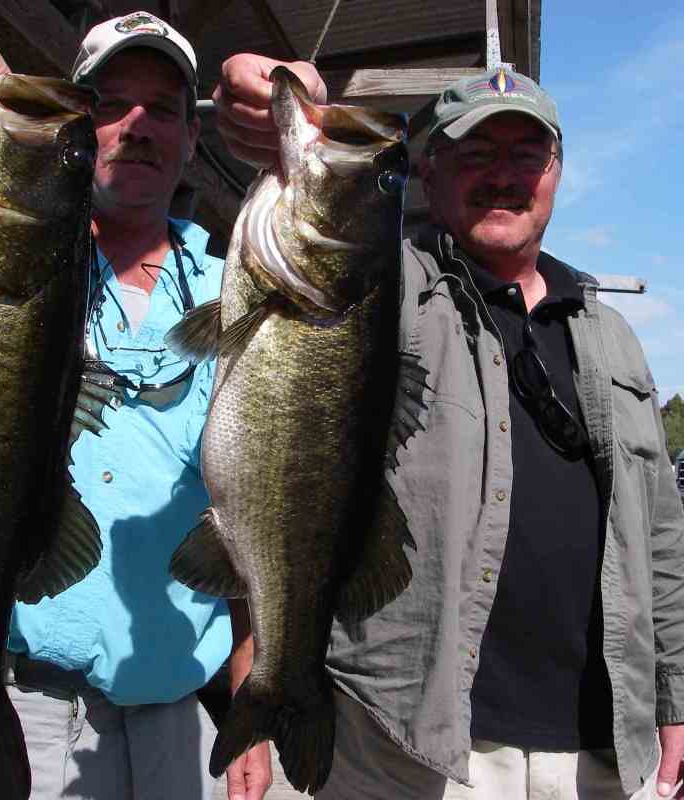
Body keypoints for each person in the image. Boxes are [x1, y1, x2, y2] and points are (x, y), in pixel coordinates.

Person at [211, 53, 684, 799]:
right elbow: (318, 254)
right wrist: (284, 109)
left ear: (557, 171)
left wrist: (674, 700)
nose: (504, 173)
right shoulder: (383, 290)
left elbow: (659, 532)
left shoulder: (614, 335)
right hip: (411, 743)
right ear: (429, 176)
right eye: (474, 153)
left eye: (526, 153)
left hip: (600, 749)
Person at [0, 12, 271, 800]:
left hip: (172, 715)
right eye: (109, 104)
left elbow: (262, 499)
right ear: (79, 128)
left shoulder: (239, 293)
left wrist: (252, 688)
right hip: (0, 685)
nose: (137, 127)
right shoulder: (18, 251)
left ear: (192, 141)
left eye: (164, 109)